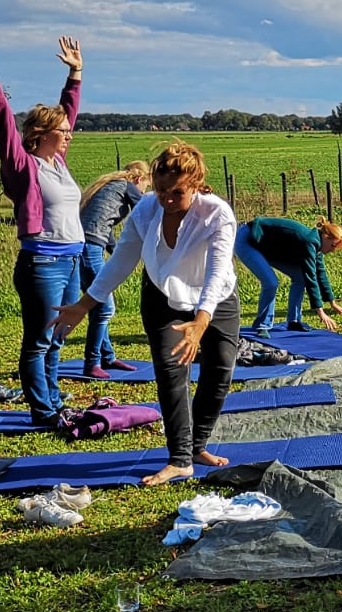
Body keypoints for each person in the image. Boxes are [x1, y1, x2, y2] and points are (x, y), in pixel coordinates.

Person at [53, 142, 241, 485]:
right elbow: (121, 260)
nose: (166, 199)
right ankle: (181, 458)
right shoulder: (146, 211)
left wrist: (201, 321)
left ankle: (198, 445)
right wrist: (85, 303)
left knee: (220, 371)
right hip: (162, 294)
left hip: (216, 298)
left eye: (177, 192)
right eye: (160, 190)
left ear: (197, 185)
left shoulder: (217, 213)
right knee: (171, 372)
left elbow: (216, 271)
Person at [0, 38, 85, 427]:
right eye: (62, 131)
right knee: (39, 340)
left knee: (58, 336)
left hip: (71, 259)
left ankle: (52, 397)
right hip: (43, 262)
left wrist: (75, 73)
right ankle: (43, 410)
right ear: (41, 134)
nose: (69, 134)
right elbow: (3, 127)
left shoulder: (58, 163)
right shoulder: (24, 165)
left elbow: (70, 110)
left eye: (67, 130)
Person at [77, 161, 151, 378]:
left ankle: (107, 357)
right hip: (88, 247)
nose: (143, 192)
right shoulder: (128, 186)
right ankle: (92, 363)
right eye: (145, 187)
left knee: (98, 304)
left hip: (86, 244)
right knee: (103, 306)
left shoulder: (110, 186)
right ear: (139, 179)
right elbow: (146, 210)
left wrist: (117, 252)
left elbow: (102, 225)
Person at [233, 216, 342, 336]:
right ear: (326, 237)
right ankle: (262, 325)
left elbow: (320, 274)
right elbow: (310, 277)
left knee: (300, 278)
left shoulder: (316, 246)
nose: (332, 250)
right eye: (333, 245)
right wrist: (320, 312)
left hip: (268, 246)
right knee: (271, 282)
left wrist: (333, 303)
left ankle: (294, 321)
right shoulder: (309, 242)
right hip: (247, 239)